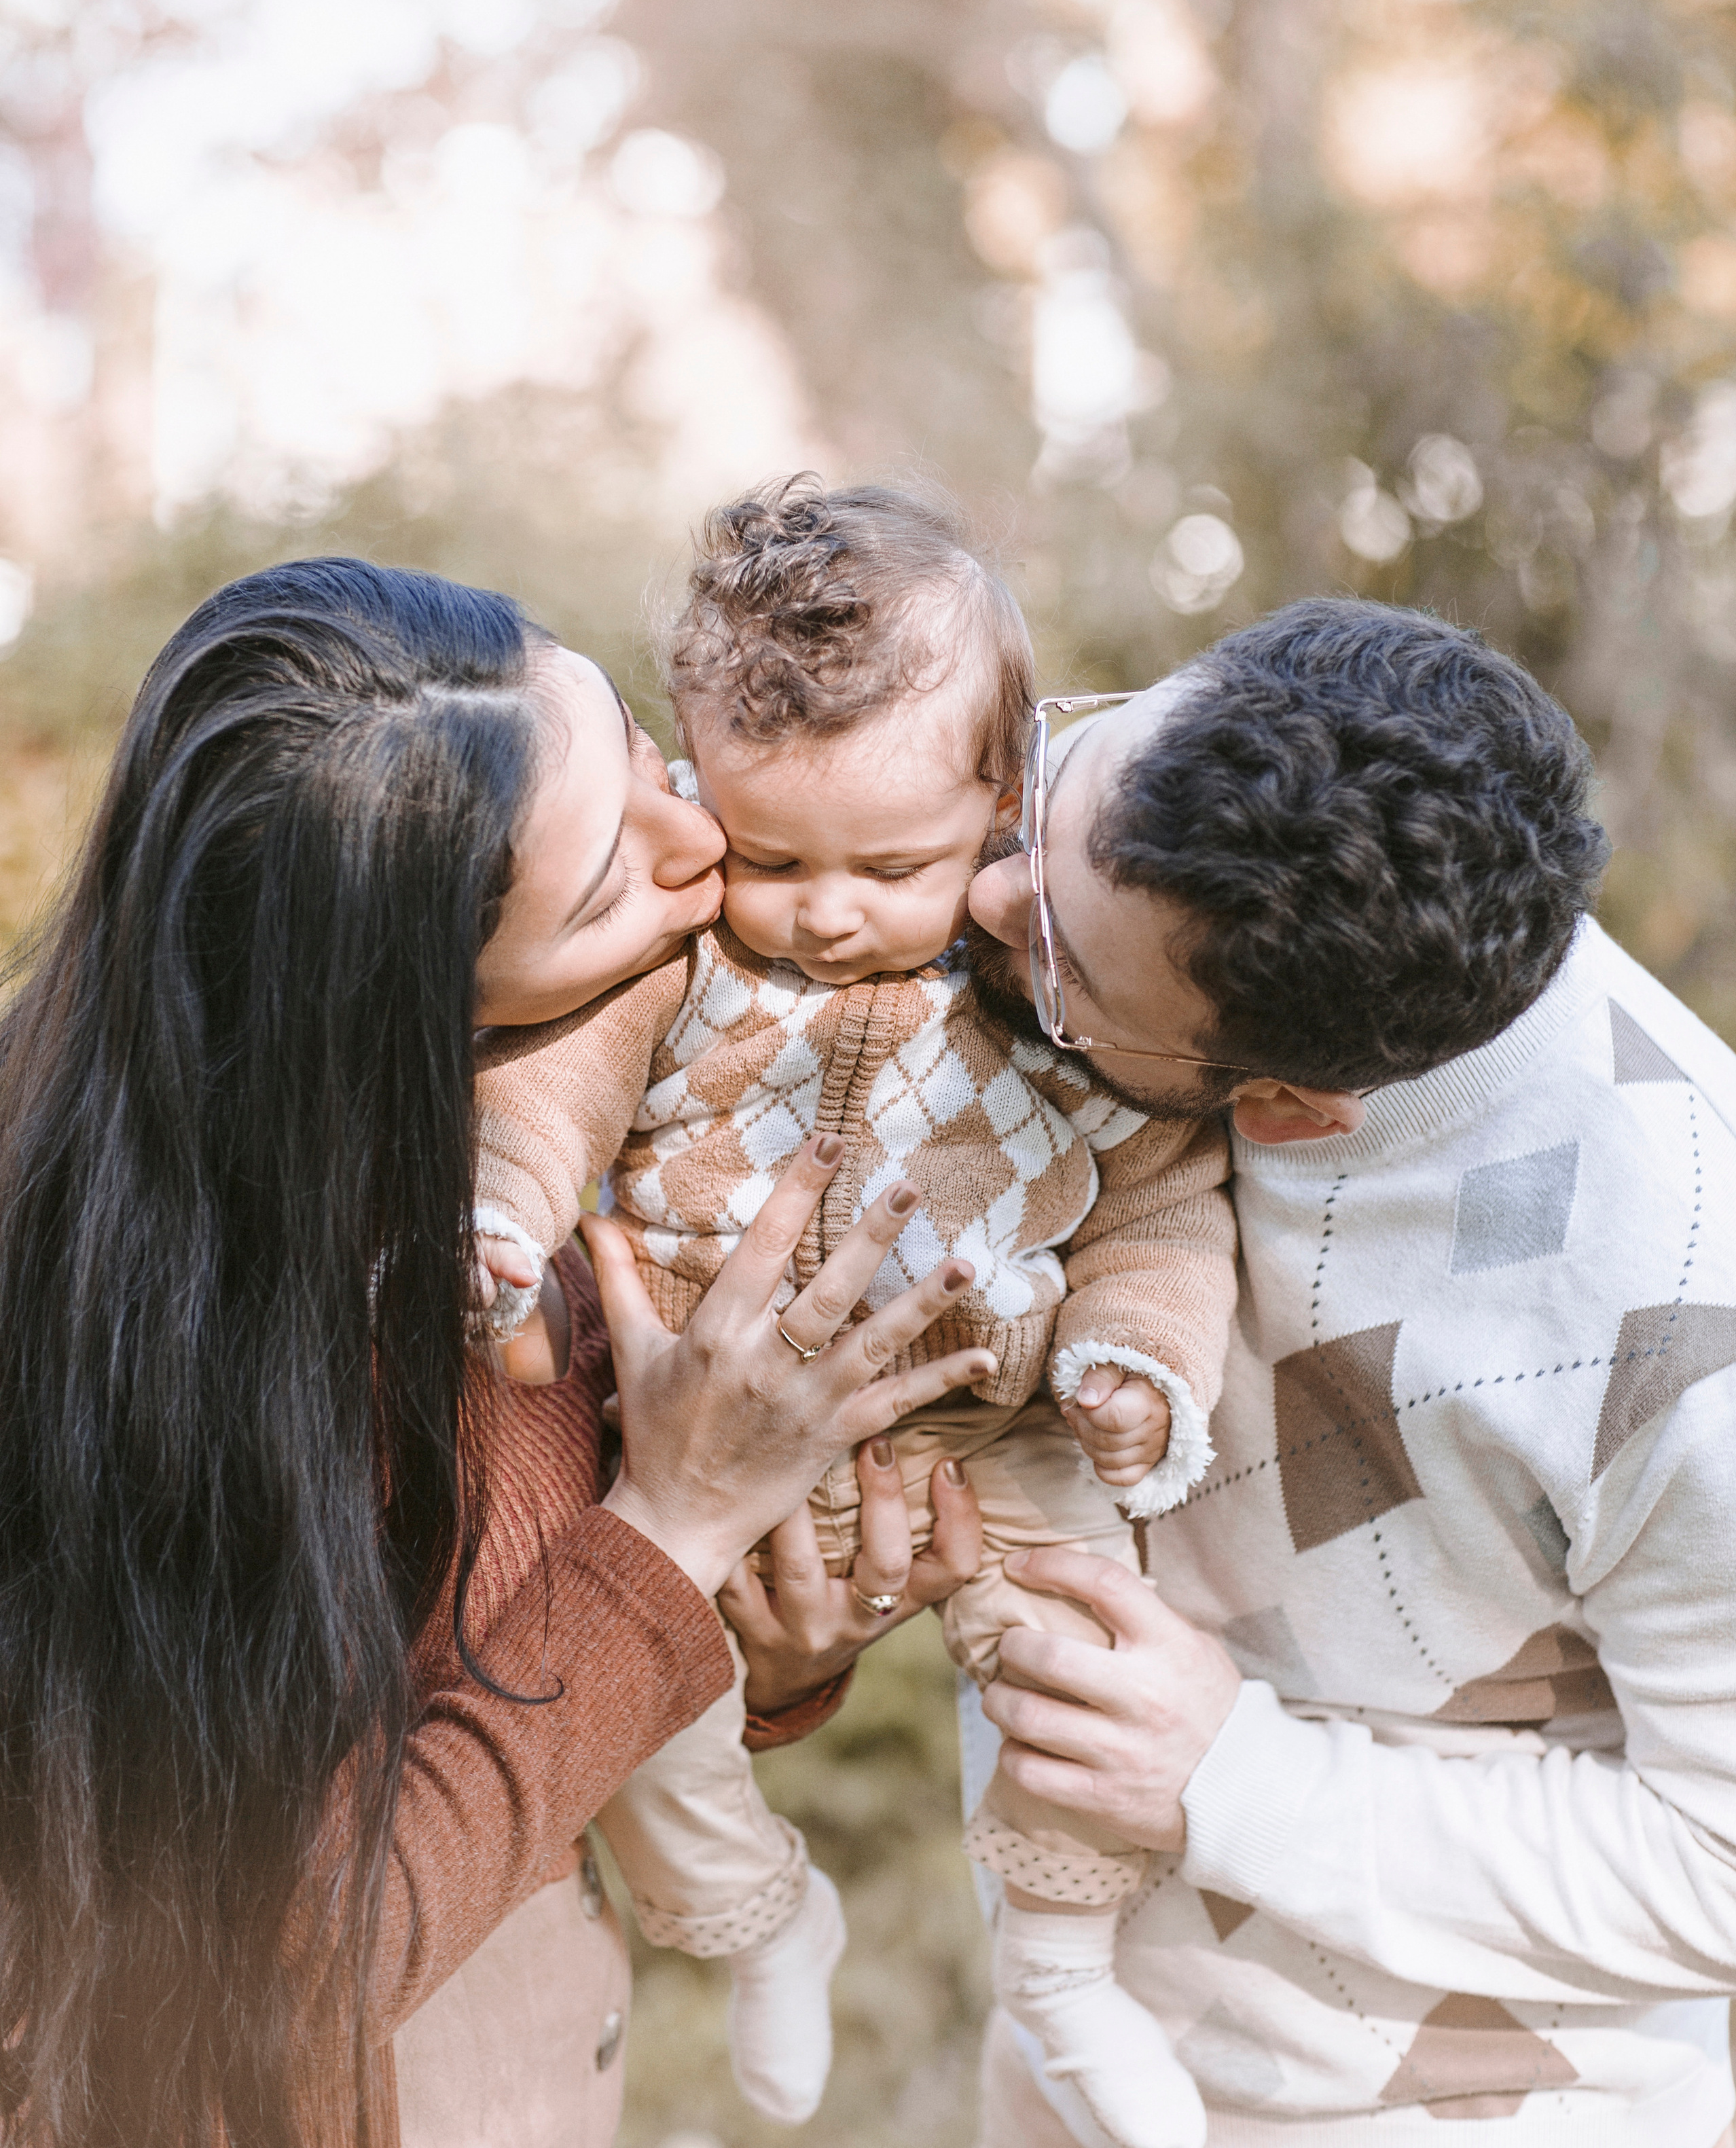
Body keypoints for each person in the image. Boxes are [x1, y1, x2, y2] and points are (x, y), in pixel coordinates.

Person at [0, 555, 1002, 2148]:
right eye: (610, 879)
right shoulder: (174, 1337)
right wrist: (668, 1530)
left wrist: (773, 1641)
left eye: (639, 752)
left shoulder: (521, 1110)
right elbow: (270, 1973)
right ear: (396, 1009)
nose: (708, 844)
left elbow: (529, 1648)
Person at [471, 479, 1237, 2147]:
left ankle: (1056, 1970)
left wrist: (1135, 1359)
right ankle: (757, 1926)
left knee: (1078, 1661)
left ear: (998, 785)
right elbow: (552, 1095)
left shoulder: (1045, 996)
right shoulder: (678, 977)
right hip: (699, 1439)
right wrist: (503, 1211)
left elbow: (1168, 1196)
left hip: (989, 1430)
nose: (826, 909)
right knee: (631, 1698)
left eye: (891, 861)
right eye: (773, 854)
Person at [962, 598, 1736, 2148]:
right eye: (1067, 766)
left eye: (1056, 961)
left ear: (1288, 1110)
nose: (983, 896)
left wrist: (1230, 1775)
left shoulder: (1683, 1307)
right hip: (1061, 2045)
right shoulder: (1184, 896)